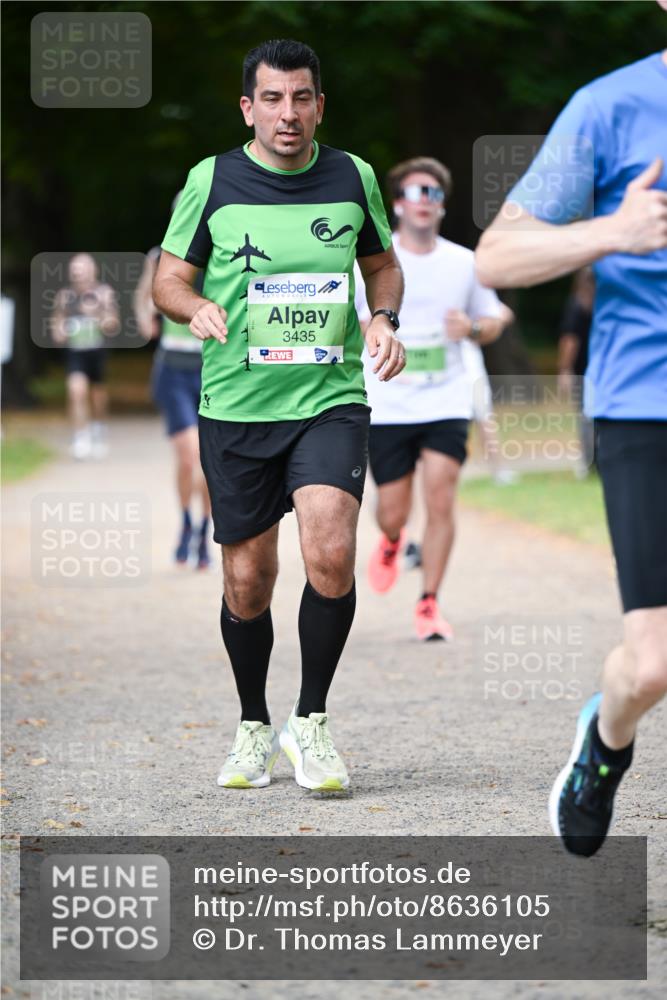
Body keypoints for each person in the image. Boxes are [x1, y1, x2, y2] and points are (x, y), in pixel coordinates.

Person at [153, 39, 405, 792]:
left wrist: (382, 318)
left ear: (318, 105)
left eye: (301, 98)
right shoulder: (213, 180)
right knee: (247, 580)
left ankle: (313, 722)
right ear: (248, 107)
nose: (287, 114)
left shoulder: (352, 175)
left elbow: (380, 264)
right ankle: (253, 725)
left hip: (327, 397)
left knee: (329, 548)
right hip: (235, 406)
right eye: (272, 99)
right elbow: (170, 278)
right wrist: (195, 306)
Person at [476, 46, 667, 856]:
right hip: (645, 404)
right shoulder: (608, 105)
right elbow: (496, 257)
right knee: (653, 666)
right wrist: (612, 231)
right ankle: (605, 743)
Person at [357, 157, 504, 640]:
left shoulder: (464, 261)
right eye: (416, 193)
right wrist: (372, 330)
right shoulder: (375, 261)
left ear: (442, 205)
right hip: (389, 401)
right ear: (398, 204)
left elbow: (495, 318)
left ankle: (428, 603)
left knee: (441, 497)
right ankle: (393, 539)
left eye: (434, 193)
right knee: (393, 510)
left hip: (445, 400)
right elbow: (352, 318)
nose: (425, 201)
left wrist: (475, 327)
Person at [135, 222, 212, 569]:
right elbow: (143, 295)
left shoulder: (222, 254)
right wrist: (145, 317)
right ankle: (185, 521)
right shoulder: (159, 255)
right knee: (187, 458)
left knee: (210, 464)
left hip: (213, 370)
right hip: (173, 371)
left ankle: (204, 529)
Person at [51, 253, 119, 459]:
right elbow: (56, 325)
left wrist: (96, 314)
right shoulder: (65, 296)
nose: (78, 275)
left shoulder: (104, 293)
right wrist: (60, 331)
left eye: (83, 270)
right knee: (76, 391)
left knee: (97, 397)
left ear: (93, 271)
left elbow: (113, 324)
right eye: (75, 271)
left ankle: (98, 430)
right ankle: (81, 436)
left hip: (96, 352)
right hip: (76, 353)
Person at [557, 267, 595, 475]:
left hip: (585, 371)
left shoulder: (576, 304)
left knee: (585, 415)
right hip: (604, 370)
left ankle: (589, 461)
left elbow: (569, 341)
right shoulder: (611, 304)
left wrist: (565, 369)